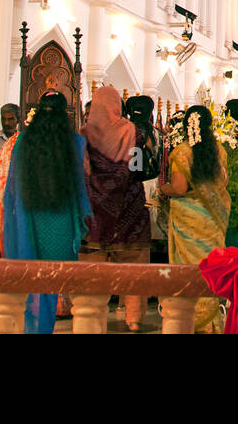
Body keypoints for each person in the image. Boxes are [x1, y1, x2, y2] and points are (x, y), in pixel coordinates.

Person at [1, 92, 91, 334]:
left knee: (33, 274)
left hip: (31, 215)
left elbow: (14, 184)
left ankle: (34, 326)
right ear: (65, 114)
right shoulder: (75, 142)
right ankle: (45, 325)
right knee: (53, 277)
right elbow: (84, 180)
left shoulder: (23, 141)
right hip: (61, 218)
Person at [80, 85, 151, 331]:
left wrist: (99, 190)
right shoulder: (133, 132)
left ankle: (91, 317)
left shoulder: (83, 135)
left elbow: (83, 171)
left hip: (95, 211)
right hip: (128, 207)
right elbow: (138, 168)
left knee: (93, 268)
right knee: (134, 266)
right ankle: (133, 319)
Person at [159, 105, 230, 332]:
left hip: (188, 222)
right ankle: (210, 321)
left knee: (189, 270)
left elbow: (179, 188)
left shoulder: (181, 153)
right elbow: (224, 183)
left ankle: (189, 320)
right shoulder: (219, 151)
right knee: (210, 269)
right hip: (212, 221)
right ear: (209, 126)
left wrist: (162, 189)